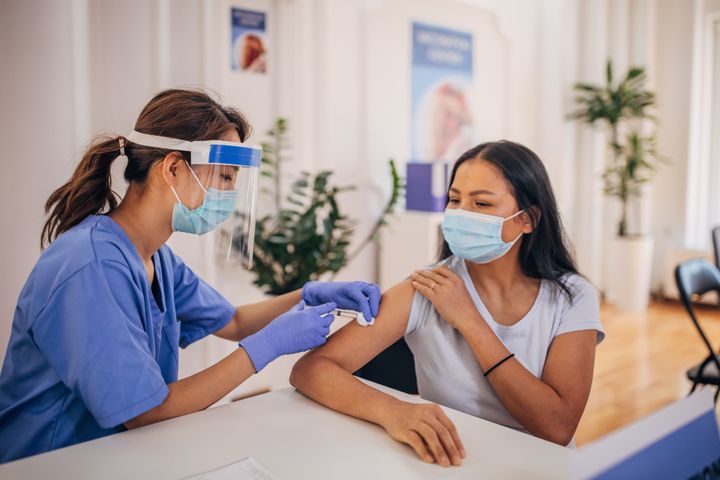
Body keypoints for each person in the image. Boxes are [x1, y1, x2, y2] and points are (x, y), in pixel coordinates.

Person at [0, 89, 380, 463]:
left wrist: (309, 295)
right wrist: (267, 346)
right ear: (174, 168)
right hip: (48, 464)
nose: (229, 193)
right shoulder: (91, 266)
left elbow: (232, 321)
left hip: (112, 458)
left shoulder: (154, 259)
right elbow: (143, 413)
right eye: (225, 177)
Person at [291, 141, 604, 467]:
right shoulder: (426, 287)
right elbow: (312, 370)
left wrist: (470, 322)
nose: (461, 214)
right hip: (453, 463)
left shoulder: (573, 296)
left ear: (528, 219)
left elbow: (556, 427)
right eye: (455, 200)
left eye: (481, 203)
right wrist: (393, 411)